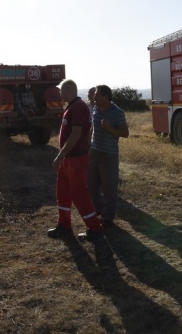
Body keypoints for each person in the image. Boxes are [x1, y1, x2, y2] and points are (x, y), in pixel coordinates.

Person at [48, 79, 105, 243]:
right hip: (69, 159)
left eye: (61, 91)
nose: (59, 94)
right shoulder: (72, 107)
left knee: (80, 195)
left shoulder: (78, 108)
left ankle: (95, 229)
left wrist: (60, 156)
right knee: (63, 192)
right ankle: (64, 225)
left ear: (69, 91)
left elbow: (76, 133)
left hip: (75, 160)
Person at [88, 85, 129, 229]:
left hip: (109, 155)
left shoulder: (117, 112)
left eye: (98, 95)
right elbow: (92, 127)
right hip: (94, 152)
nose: (95, 97)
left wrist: (110, 128)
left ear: (106, 96)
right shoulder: (96, 108)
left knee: (109, 189)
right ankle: (98, 211)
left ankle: (107, 218)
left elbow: (125, 133)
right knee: (91, 186)